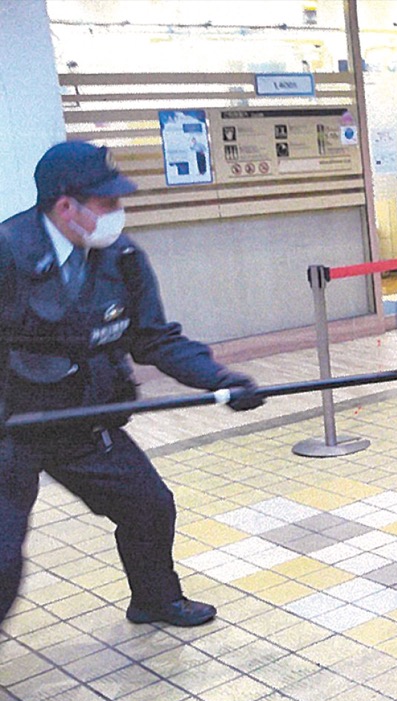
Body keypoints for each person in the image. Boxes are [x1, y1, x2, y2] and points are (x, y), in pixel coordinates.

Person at [0, 141, 266, 629]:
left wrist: (221, 380)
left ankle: (154, 600)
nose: (118, 212)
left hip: (82, 420)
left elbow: (154, 338)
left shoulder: (121, 257)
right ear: (66, 206)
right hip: (11, 428)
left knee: (149, 507)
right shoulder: (8, 253)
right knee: (1, 560)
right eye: (107, 202)